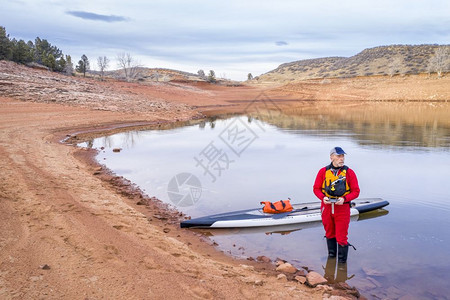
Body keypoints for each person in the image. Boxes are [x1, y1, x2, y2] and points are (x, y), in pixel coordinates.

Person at [313, 146, 360, 263]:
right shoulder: (323, 171)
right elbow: (316, 189)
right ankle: (331, 258)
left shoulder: (349, 172)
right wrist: (322, 197)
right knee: (329, 233)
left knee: (342, 238)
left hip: (342, 209)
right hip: (326, 208)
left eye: (343, 156)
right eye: (339, 156)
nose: (342, 159)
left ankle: (342, 266)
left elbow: (356, 191)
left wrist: (344, 199)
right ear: (331, 157)